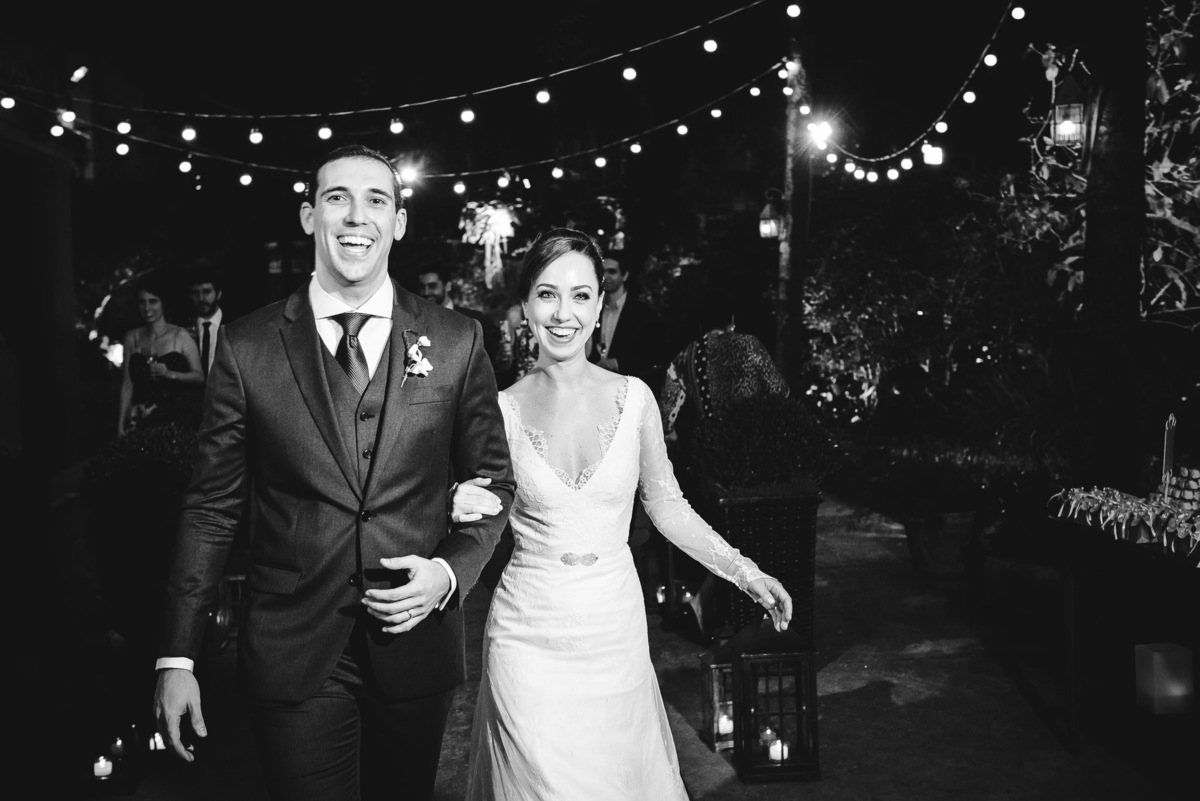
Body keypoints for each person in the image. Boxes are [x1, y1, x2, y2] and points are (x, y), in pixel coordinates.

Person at [152, 144, 515, 801]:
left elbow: (494, 486)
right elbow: (211, 507)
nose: (357, 215)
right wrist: (178, 655)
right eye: (337, 197)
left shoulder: (458, 340)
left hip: (414, 649)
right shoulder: (248, 346)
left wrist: (449, 572)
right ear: (309, 216)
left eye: (377, 199)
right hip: (293, 651)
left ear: (398, 223)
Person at [456, 228, 792, 799]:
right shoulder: (498, 412)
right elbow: (469, 507)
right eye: (547, 294)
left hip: (613, 628)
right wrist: (454, 500)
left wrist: (745, 571)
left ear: (600, 305)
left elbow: (665, 505)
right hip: (524, 634)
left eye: (581, 295)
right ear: (524, 307)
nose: (564, 313)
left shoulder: (635, 398)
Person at [116, 274, 204, 436]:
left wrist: (170, 374)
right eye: (142, 302)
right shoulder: (131, 337)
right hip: (141, 416)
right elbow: (127, 384)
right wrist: (120, 424)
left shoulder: (180, 336)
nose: (147, 308)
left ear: (163, 303)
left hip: (176, 417)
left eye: (153, 301)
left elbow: (199, 377)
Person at [591, 249, 665, 388]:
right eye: (602, 272)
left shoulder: (644, 314)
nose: (605, 277)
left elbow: (654, 355)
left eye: (612, 271)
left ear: (625, 275)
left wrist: (617, 363)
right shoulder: (592, 309)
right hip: (596, 388)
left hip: (629, 389)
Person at [415, 265, 504, 371]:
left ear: (447, 286)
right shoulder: (415, 321)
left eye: (432, 286)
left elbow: (493, 363)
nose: (426, 292)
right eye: (422, 287)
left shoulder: (472, 320)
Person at [187, 264, 225, 379]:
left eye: (206, 292)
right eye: (195, 293)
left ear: (218, 294)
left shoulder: (234, 325)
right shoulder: (186, 326)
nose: (201, 299)